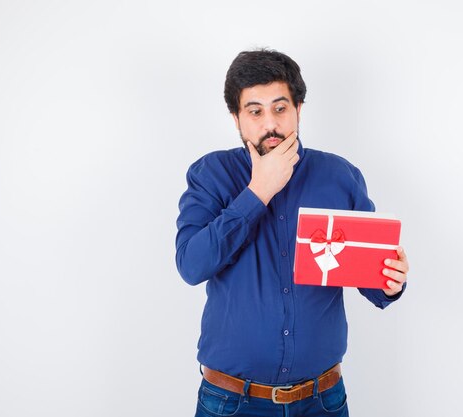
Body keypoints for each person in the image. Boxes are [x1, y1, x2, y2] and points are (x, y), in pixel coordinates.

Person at [175, 49, 409, 417]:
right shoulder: (210, 175)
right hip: (230, 403)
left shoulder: (339, 176)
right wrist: (257, 193)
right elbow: (191, 264)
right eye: (254, 111)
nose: (270, 123)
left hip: (322, 401)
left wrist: (390, 281)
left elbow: (371, 278)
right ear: (237, 118)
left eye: (280, 108)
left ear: (298, 109)